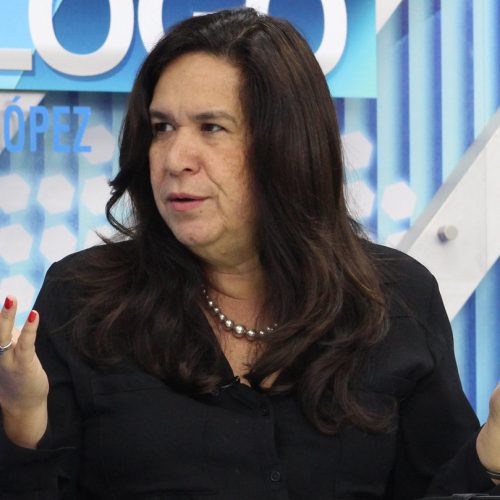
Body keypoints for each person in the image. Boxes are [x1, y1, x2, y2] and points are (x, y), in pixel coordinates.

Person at [0, 7, 499, 499]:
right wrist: (20, 422)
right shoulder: (82, 297)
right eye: (162, 127)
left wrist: (491, 460)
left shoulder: (396, 296)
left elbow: (438, 487)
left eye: (211, 128)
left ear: (288, 144)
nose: (174, 159)